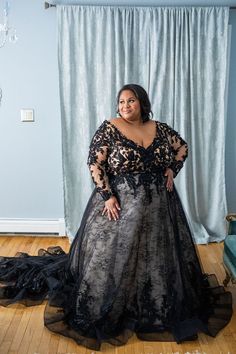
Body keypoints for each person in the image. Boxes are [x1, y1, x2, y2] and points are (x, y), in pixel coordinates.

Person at [0, 84, 232, 351]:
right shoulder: (110, 128)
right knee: (112, 258)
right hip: (121, 206)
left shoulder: (159, 128)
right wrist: (107, 195)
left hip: (159, 207)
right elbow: (95, 163)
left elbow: (183, 148)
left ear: (142, 102)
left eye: (130, 101)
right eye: (121, 102)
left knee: (155, 256)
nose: (125, 106)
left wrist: (171, 169)